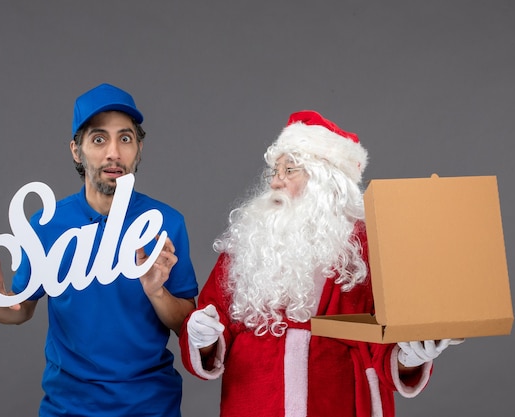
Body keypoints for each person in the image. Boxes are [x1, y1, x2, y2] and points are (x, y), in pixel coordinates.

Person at [179, 110, 463, 417]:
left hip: (341, 402)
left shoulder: (369, 246)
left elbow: (387, 343)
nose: (275, 183)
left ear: (324, 181)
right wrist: (202, 337)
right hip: (256, 402)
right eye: (274, 172)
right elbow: (214, 321)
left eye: (290, 171)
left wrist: (410, 355)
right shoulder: (251, 241)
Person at [0, 83, 199, 416]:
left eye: (125, 138)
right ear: (77, 150)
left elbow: (187, 324)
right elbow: (22, 309)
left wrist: (157, 292)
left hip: (150, 406)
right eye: (99, 139)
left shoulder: (165, 223)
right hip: (67, 407)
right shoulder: (47, 224)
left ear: (139, 148)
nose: (113, 152)